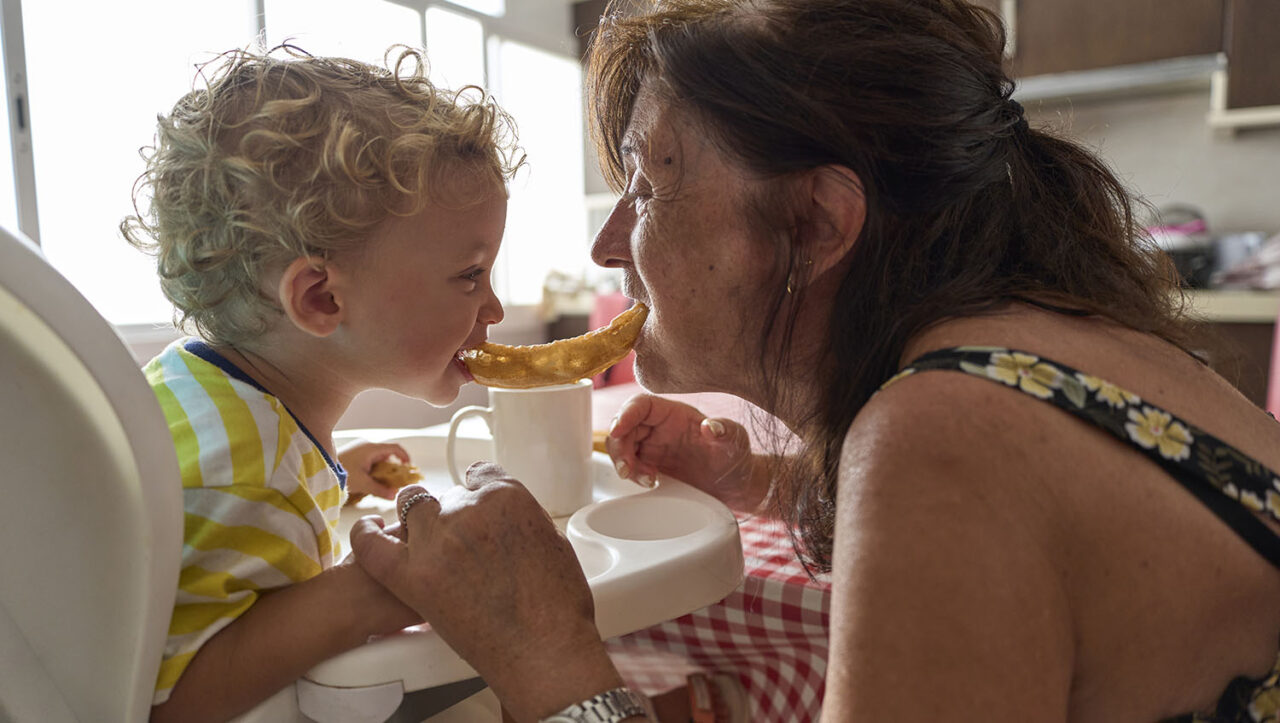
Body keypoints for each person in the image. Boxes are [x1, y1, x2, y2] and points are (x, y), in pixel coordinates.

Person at [352, 0, 1280, 721]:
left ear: (817, 225)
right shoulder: (1045, 338)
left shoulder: (940, 433)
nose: (607, 244)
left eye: (647, 182)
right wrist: (765, 479)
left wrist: (546, 658)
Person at [121, 44, 521, 721]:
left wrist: (340, 473)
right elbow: (160, 701)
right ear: (321, 301)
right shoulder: (250, 478)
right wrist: (371, 592)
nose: (494, 310)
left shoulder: (196, 384)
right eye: (469, 276)